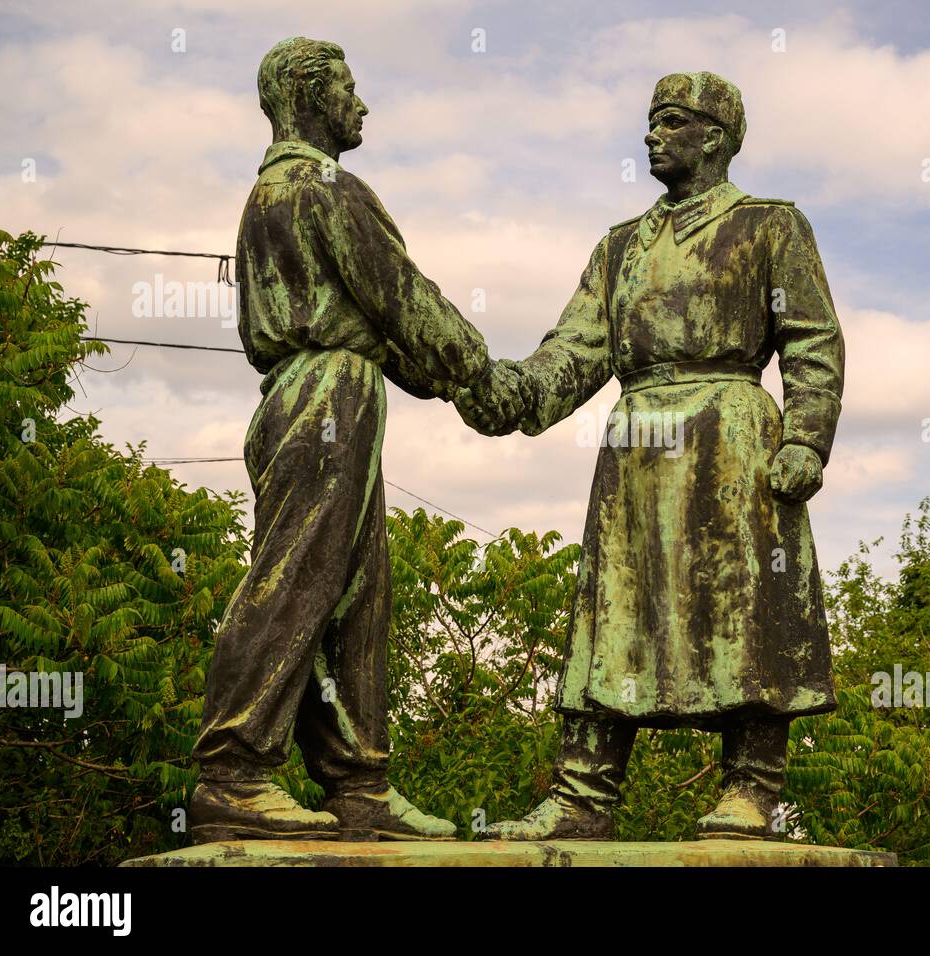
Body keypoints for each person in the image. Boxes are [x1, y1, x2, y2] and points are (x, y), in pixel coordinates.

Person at [455, 71, 845, 840]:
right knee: (614, 614)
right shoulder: (620, 246)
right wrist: (499, 391)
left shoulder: (771, 224)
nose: (650, 136)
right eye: (650, 122)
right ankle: (582, 797)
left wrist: (805, 435)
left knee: (748, 613)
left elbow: (811, 338)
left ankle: (752, 786)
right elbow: (571, 352)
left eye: (669, 122)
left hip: (731, 436)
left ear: (717, 137)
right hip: (636, 444)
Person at [190, 37, 497, 843]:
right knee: (294, 579)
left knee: (354, 596)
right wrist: (479, 374)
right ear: (307, 93)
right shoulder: (323, 186)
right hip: (325, 394)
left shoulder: (269, 192)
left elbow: (375, 323)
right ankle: (232, 770)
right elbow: (401, 299)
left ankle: (356, 783)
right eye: (349, 89)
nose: (361, 105)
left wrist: (432, 376)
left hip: (320, 393)